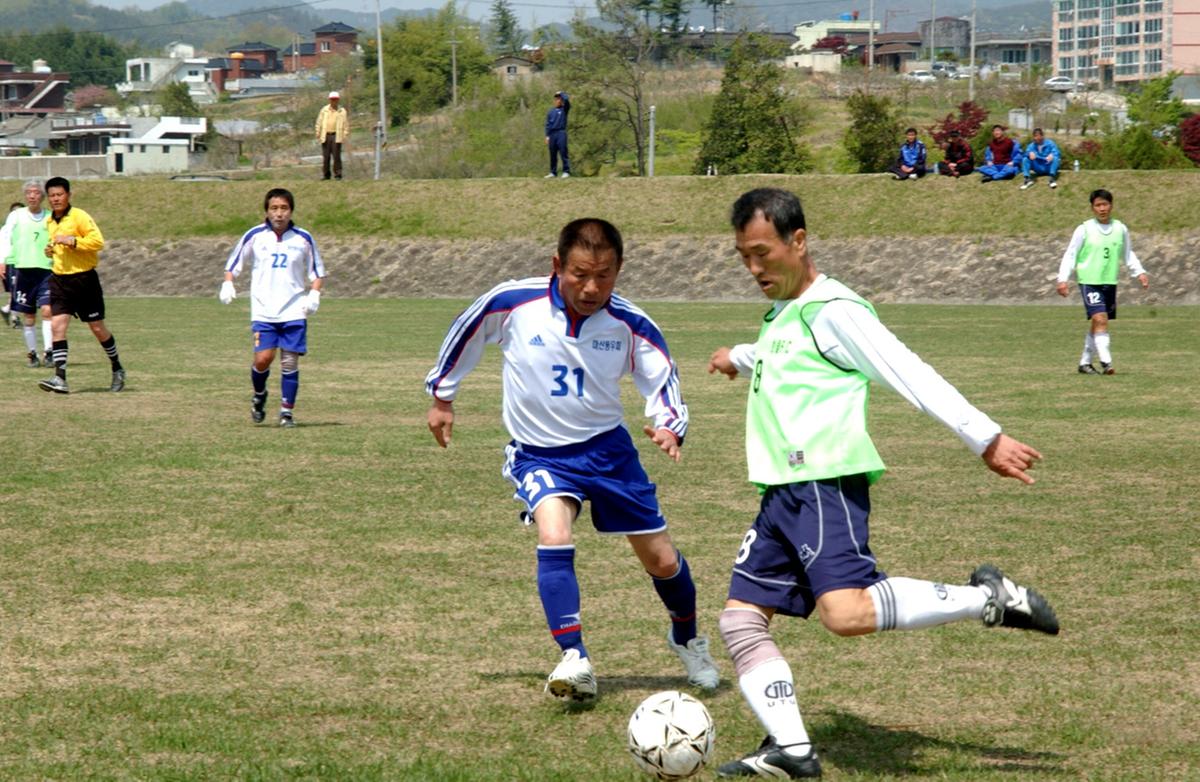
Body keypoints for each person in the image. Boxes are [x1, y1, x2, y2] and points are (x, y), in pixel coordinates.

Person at [708, 188, 1059, 779]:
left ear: (799, 242)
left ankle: (988, 598)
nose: (753, 268)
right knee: (740, 618)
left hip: (823, 485)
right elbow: (778, 353)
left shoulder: (837, 311)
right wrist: (736, 358)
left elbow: (909, 372)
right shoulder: (787, 314)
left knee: (844, 614)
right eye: (744, 256)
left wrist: (986, 438)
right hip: (780, 496)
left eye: (763, 253)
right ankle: (792, 750)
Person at [424, 218, 719, 703]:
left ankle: (687, 639)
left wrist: (669, 425)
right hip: (539, 454)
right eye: (581, 273)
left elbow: (662, 378)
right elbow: (466, 331)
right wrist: (442, 396)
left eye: (604, 275)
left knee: (662, 559)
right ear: (557, 265)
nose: (591, 286)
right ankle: (574, 657)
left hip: (608, 453)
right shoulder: (514, 303)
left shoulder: (629, 324)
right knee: (554, 533)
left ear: (619, 270)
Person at [220, 188, 326, 427]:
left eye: (284, 208)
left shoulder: (303, 238)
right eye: (274, 208)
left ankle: (286, 413)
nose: (279, 214)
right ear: (267, 211)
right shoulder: (255, 236)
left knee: (289, 362)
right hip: (263, 310)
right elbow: (233, 264)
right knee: (263, 359)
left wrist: (315, 292)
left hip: (294, 308)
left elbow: (317, 271)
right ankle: (259, 394)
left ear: (291, 211)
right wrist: (228, 283)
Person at [38, 177, 125, 394]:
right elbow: (55, 246)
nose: (56, 199)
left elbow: (98, 242)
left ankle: (117, 368)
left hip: (84, 281)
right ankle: (60, 378)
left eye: (60, 194)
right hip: (59, 280)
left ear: (68, 195)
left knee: (97, 328)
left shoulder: (80, 216)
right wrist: (50, 250)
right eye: (52, 195)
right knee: (57, 326)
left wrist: (73, 241)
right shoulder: (49, 220)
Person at [1056, 188, 1148, 376]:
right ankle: (1107, 362)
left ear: (1111, 206)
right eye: (1098, 205)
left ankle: (1085, 363)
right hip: (1089, 281)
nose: (1102, 208)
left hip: (1109, 281)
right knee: (1100, 318)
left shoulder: (1120, 228)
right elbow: (1071, 254)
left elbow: (1128, 253)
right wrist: (1062, 279)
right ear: (1092, 208)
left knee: (1098, 323)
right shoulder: (1084, 229)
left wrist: (1139, 272)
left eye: (1105, 204)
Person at [1, 182, 53, 367]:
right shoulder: (16, 216)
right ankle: (32, 353)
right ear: (25, 196)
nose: (32, 196)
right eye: (29, 193)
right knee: (29, 316)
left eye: (36, 192)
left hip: (46, 271)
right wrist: (3, 261)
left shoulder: (50, 217)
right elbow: (5, 237)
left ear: (42, 196)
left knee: (47, 311)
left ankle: (49, 352)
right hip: (24, 270)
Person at [315, 91, 349, 180]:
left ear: (338, 100)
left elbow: (346, 124)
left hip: (336, 136)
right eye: (332, 99)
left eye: (335, 99)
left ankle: (338, 174)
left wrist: (344, 135)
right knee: (326, 157)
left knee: (336, 156)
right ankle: (326, 175)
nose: (334, 101)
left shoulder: (342, 111)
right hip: (325, 135)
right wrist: (318, 132)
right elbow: (319, 122)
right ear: (329, 100)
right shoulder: (324, 110)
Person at [544, 91, 571, 179]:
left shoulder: (564, 109)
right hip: (552, 134)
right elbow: (548, 125)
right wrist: (547, 136)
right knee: (552, 154)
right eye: (556, 99)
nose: (557, 100)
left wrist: (561, 93)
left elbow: (567, 99)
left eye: (559, 99)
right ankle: (553, 172)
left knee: (563, 152)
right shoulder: (551, 112)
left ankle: (566, 171)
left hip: (561, 133)